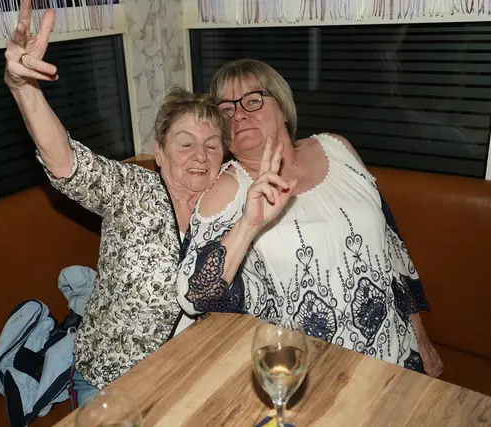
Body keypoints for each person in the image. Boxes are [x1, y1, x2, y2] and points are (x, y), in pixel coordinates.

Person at [3, 0, 228, 405]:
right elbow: (68, 164)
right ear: (159, 151)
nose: (200, 155)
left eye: (212, 145)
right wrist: (24, 89)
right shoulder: (133, 190)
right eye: (186, 143)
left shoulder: (225, 206)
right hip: (110, 380)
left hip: (187, 375)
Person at [176, 59, 444, 377]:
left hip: (396, 353)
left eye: (253, 100)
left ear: (283, 108)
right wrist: (248, 224)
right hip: (312, 371)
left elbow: (389, 243)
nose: (239, 115)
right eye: (227, 109)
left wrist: (419, 333)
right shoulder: (229, 188)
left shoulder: (337, 148)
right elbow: (193, 296)